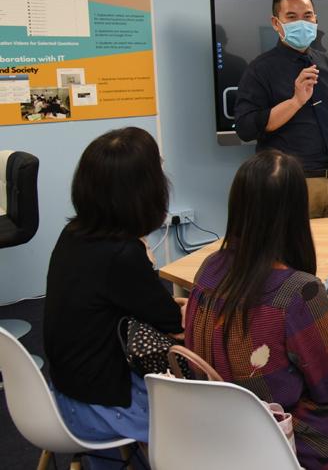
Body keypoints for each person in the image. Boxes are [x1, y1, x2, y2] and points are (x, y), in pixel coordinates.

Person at [185, 150, 328, 470]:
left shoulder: (209, 267)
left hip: (216, 426)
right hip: (278, 434)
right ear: (295, 212)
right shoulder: (300, 291)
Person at [44, 127, 184, 444]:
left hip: (65, 391)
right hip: (102, 408)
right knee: (218, 400)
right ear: (144, 190)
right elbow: (174, 325)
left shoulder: (75, 234)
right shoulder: (122, 254)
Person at [234, 0, 328, 218]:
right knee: (290, 243)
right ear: (276, 23)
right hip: (289, 185)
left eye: (307, 16)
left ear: (315, 20)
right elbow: (246, 128)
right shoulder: (259, 70)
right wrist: (295, 101)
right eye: (291, 17)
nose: (301, 23)